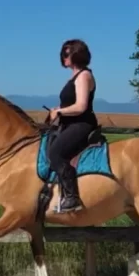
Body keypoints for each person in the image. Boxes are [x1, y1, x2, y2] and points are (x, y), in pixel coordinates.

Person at [46, 38, 98, 212]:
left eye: (66, 54)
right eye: (63, 54)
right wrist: (59, 110)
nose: (63, 58)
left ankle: (71, 197)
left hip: (82, 124)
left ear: (77, 55)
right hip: (70, 124)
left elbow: (81, 106)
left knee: (55, 153)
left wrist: (60, 112)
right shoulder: (74, 76)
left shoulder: (84, 76)